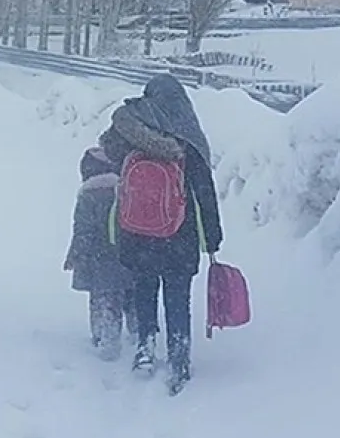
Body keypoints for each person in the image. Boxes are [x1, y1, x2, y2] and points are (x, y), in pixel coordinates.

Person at [99, 75, 223, 395]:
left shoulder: (132, 132)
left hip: (137, 232)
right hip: (179, 236)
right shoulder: (188, 138)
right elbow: (204, 192)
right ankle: (179, 355)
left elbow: (106, 147)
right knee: (177, 296)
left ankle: (145, 347)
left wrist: (131, 126)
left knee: (144, 288)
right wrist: (212, 238)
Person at [64, 145, 138, 361]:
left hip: (100, 259)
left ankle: (106, 340)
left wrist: (75, 254)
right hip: (130, 255)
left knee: (104, 300)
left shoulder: (88, 193)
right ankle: (138, 333)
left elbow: (83, 230)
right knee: (132, 297)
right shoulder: (126, 187)